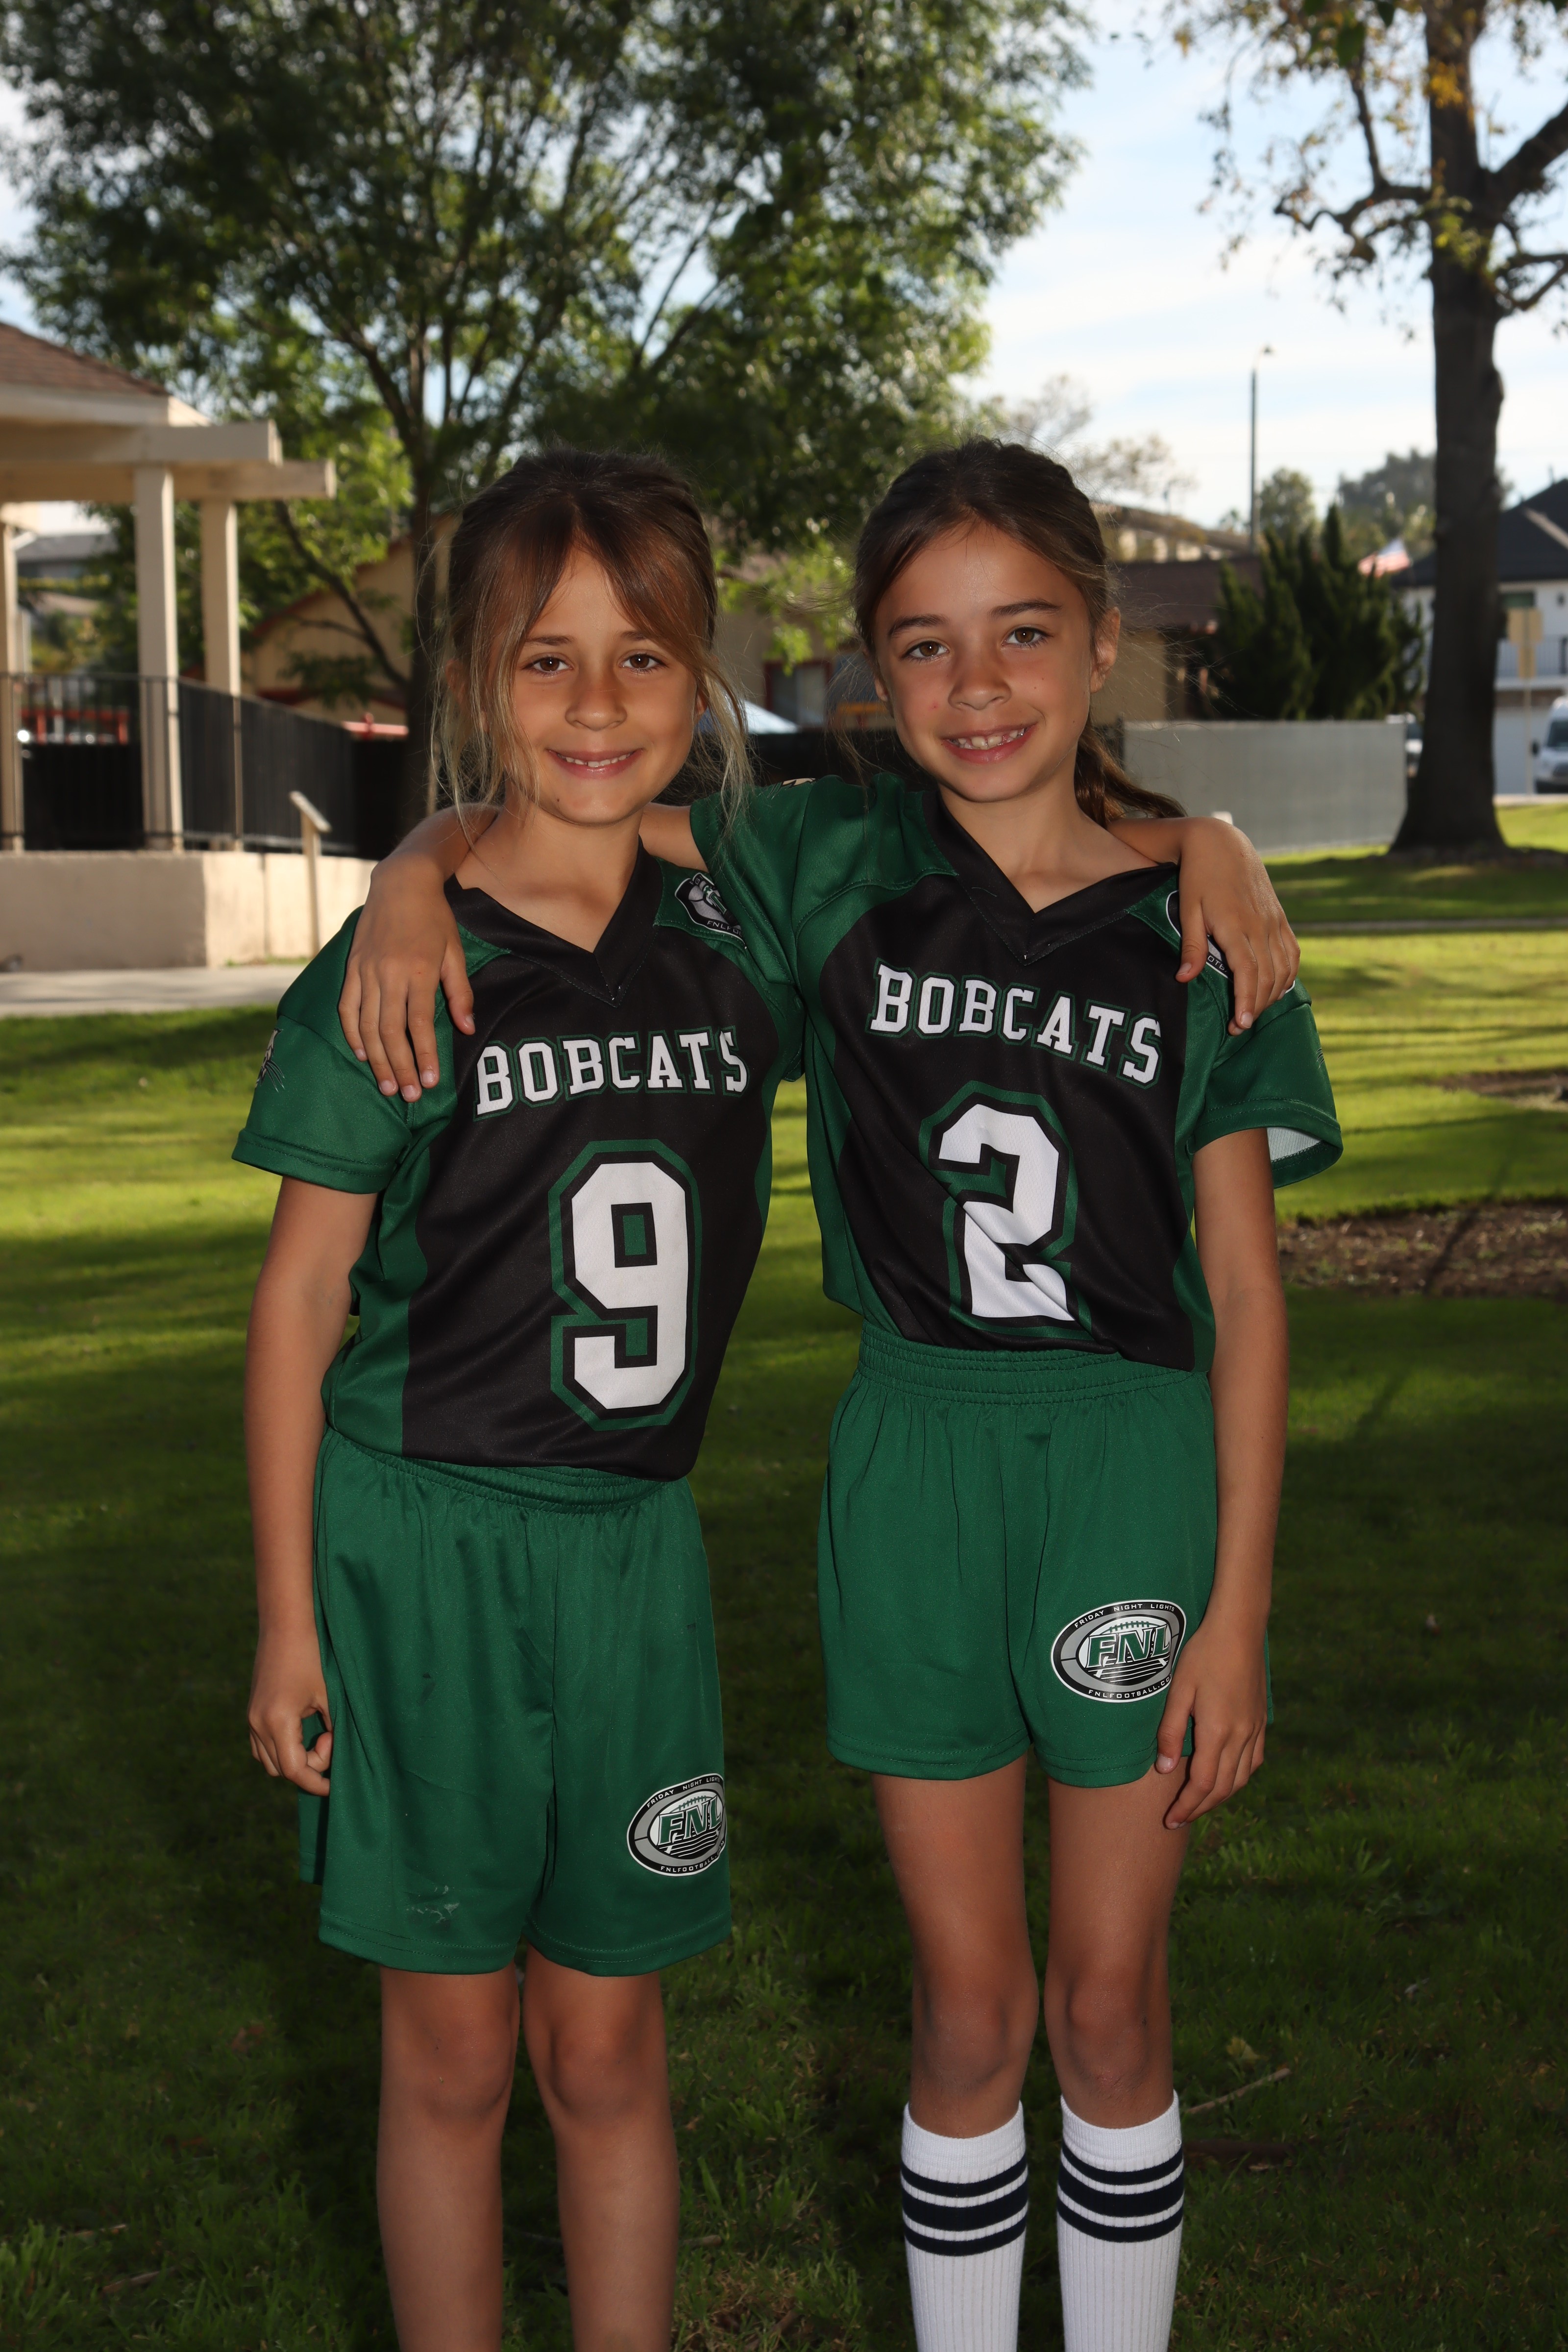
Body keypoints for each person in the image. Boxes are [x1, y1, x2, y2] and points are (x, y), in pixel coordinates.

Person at [337, 440, 1338, 2352]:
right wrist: (406, 869)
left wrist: (1240, 1611)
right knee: (965, 2009)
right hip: (910, 1459)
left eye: (1021, 633)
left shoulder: (1203, 928)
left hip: (1129, 1468)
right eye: (925, 646)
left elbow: (1245, 1289)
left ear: (1100, 639)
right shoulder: (823, 864)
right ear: (875, 675)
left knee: (1110, 2004)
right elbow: (574, 803)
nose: (978, 685)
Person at [238, 447, 804, 2352]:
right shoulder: (404, 958)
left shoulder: (747, 911)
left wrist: (1208, 844)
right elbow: (300, 1298)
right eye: (545, 659)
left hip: (631, 1551)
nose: (595, 703)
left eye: (642, 657)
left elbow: (995, 817)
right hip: (420, 1545)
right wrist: (290, 1617)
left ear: (703, 677)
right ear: (479, 678)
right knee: (452, 2052)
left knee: (610, 2044)